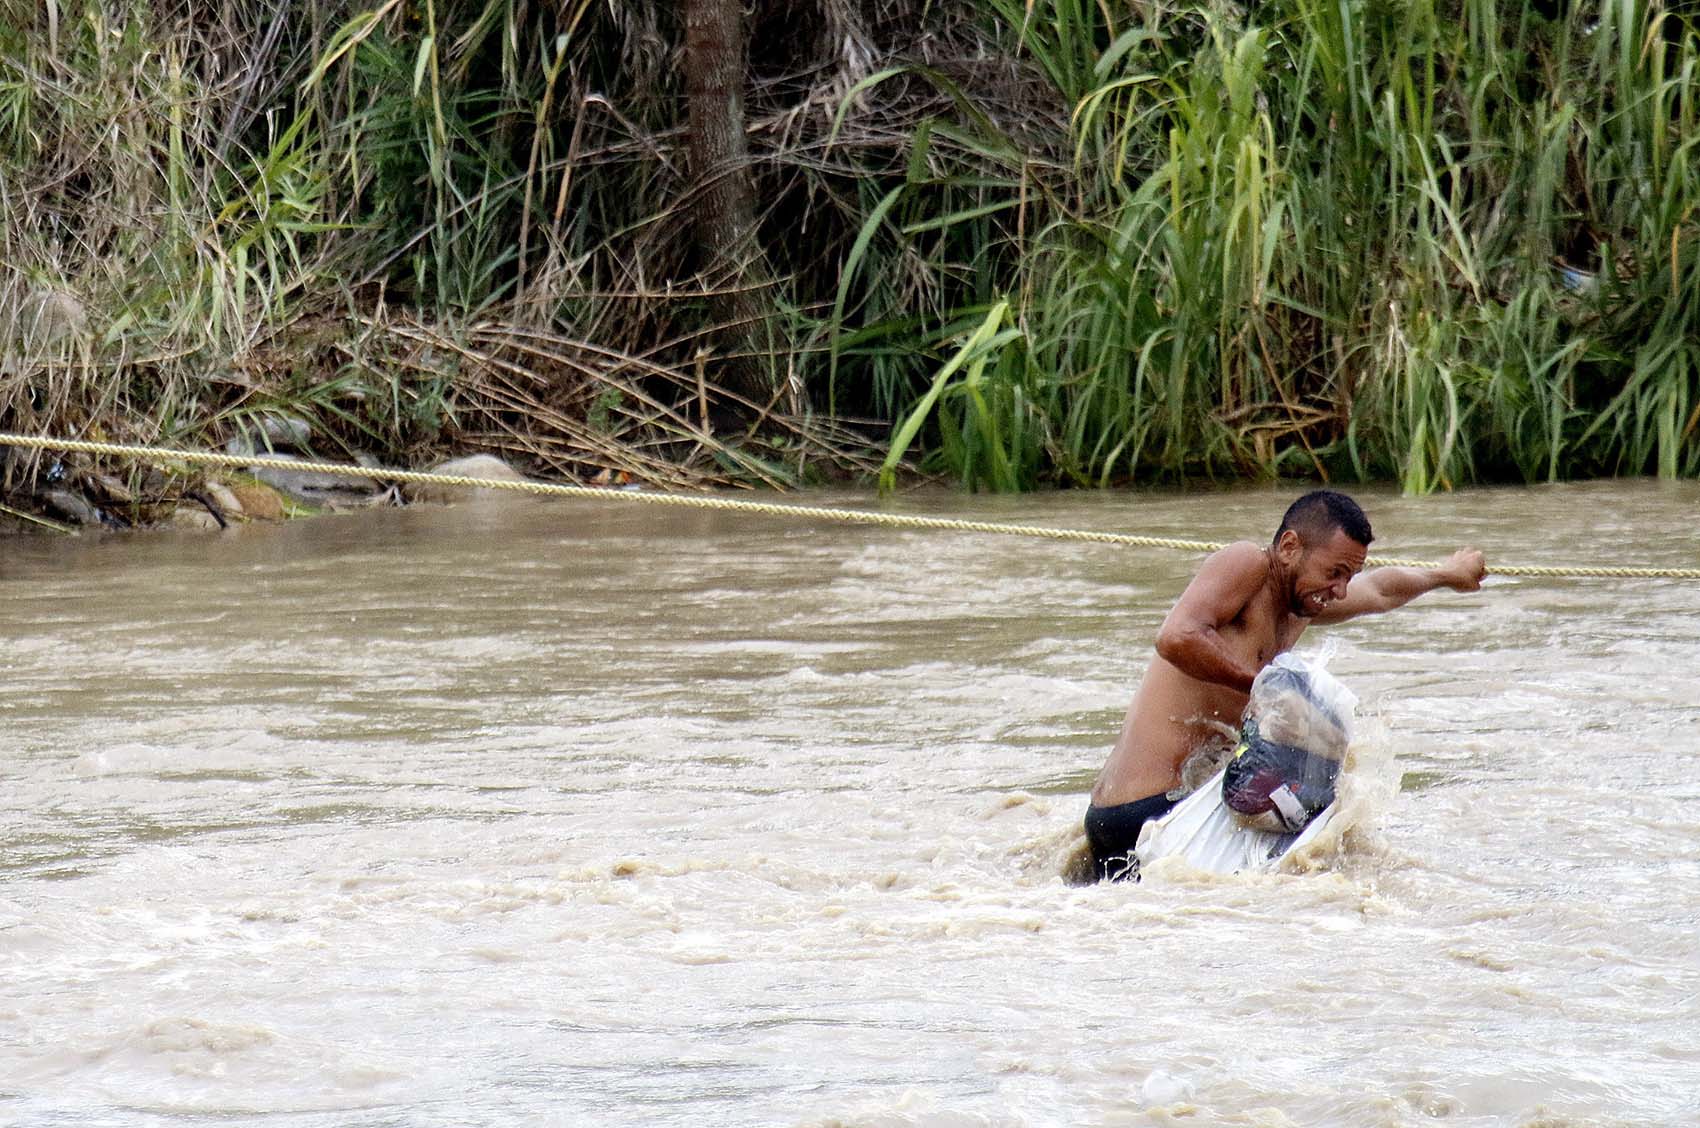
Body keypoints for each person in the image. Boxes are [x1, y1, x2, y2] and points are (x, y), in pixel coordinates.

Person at [1085, 490, 1486, 881]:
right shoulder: (1248, 564)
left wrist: (1447, 574)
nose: (1341, 590)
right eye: (1334, 573)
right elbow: (1176, 637)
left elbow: (1380, 590)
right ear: (1290, 547)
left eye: (1349, 576)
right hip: (1147, 813)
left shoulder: (1303, 604)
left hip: (1164, 817)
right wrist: (1267, 688)